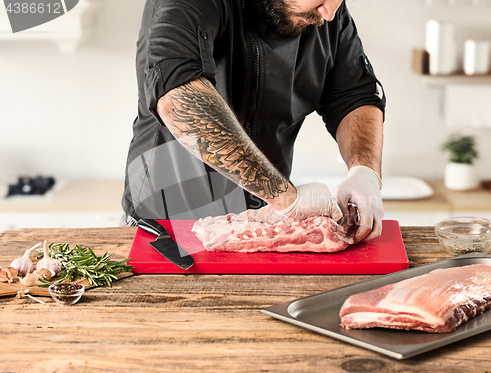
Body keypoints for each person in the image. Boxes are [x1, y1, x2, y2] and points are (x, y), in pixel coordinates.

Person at [121, 0, 386, 243]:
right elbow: (180, 98)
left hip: (263, 225)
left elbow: (355, 95)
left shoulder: (324, 10)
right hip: (168, 227)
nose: (329, 13)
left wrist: (364, 172)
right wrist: (286, 198)